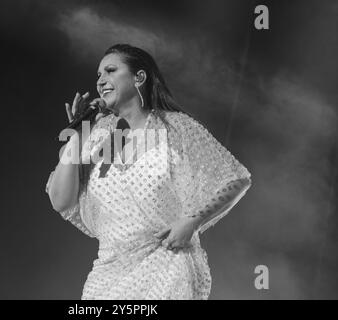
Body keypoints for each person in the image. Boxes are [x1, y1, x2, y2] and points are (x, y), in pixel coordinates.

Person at [46, 44, 252, 299]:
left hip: (167, 268)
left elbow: (235, 178)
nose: (101, 81)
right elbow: (60, 200)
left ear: (139, 77)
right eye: (98, 75)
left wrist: (192, 221)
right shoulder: (96, 136)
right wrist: (76, 137)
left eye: (110, 71)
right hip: (109, 274)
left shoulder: (175, 128)